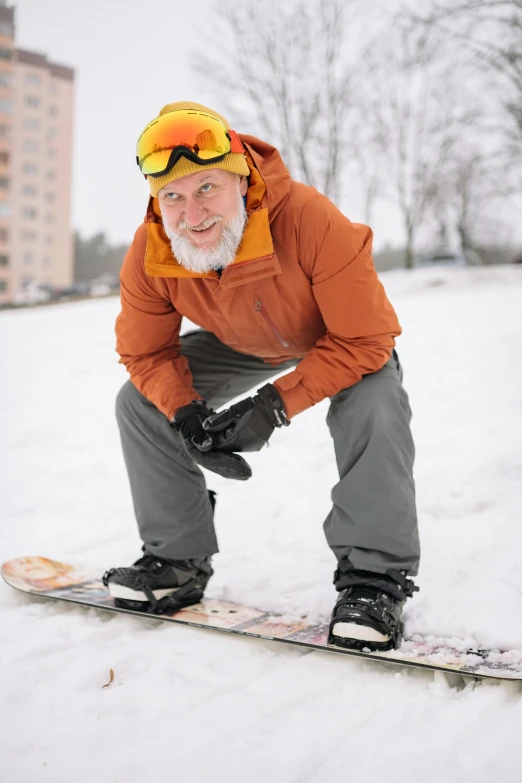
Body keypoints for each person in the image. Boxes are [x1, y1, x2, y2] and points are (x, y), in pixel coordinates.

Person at [102, 101, 420, 651]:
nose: (191, 212)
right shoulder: (151, 249)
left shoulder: (309, 218)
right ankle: (176, 562)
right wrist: (186, 412)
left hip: (336, 336)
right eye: (172, 195)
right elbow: (145, 355)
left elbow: (366, 338)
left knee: (374, 401)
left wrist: (274, 406)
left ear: (240, 176)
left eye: (206, 188)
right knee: (139, 402)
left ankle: (374, 580)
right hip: (243, 345)